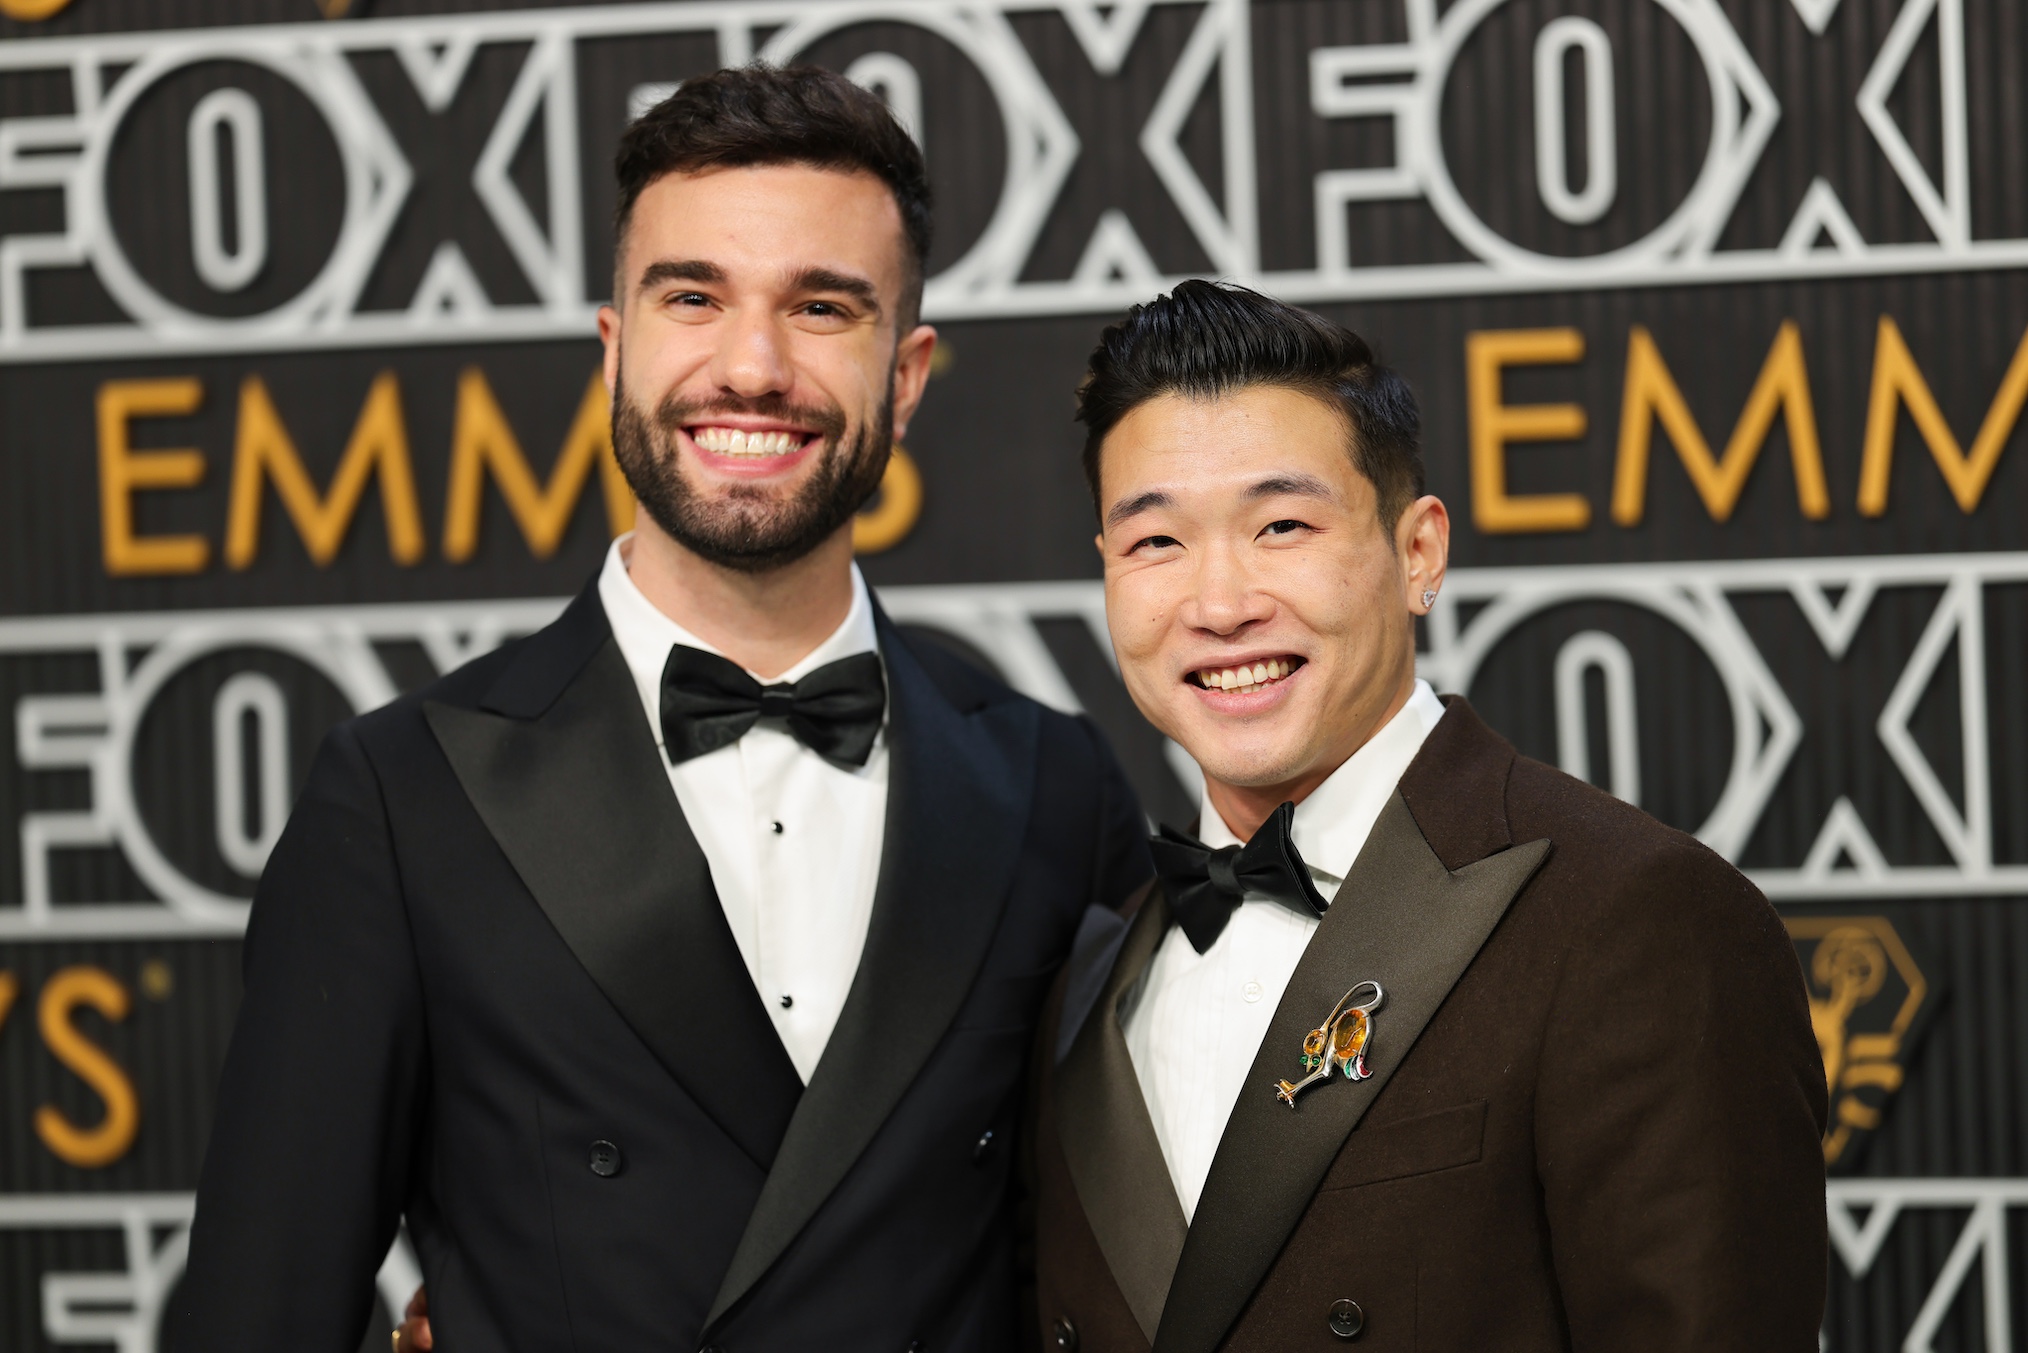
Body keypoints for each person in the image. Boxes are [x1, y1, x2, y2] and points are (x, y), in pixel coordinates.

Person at [166, 66, 1151, 1353]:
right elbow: (260, 1310)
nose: (753, 367)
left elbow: (1128, 1280)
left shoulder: (1051, 786)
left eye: (822, 306)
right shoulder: (403, 797)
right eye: (693, 297)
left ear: (905, 377)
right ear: (615, 346)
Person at [1027, 281, 1828, 1351]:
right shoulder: (1093, 974)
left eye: (1281, 525)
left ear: (1419, 553)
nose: (1218, 606)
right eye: (1156, 544)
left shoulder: (1634, 915)